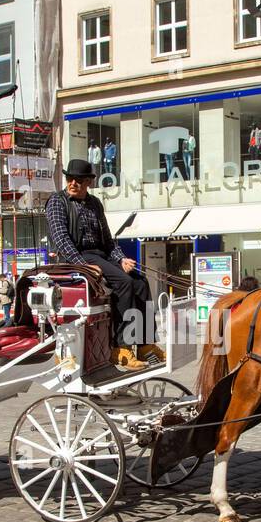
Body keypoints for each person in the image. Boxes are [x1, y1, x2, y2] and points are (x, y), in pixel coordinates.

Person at [44, 158, 164, 371]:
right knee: (124, 283)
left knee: (140, 282)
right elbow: (61, 239)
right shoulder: (57, 202)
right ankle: (120, 348)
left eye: (79, 180)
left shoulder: (95, 204)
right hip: (78, 257)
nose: (73, 183)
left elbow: (108, 240)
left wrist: (120, 259)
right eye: (70, 179)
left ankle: (145, 344)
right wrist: (83, 266)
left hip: (100, 256)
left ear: (89, 182)